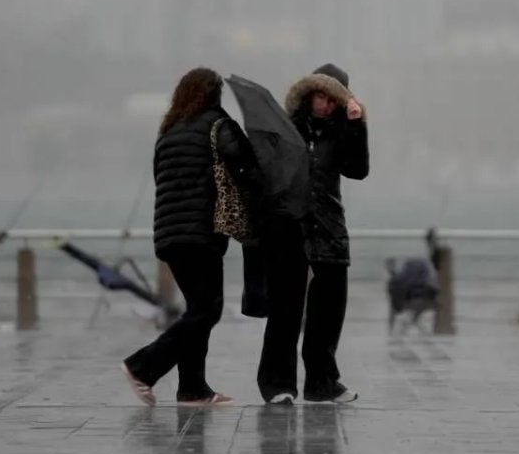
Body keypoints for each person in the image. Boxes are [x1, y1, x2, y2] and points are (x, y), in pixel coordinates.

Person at [121, 68, 263, 407]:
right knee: (207, 310)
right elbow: (247, 168)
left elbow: (162, 178)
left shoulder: (168, 130)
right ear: (214, 95)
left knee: (197, 309)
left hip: (169, 233)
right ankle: (142, 366)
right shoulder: (218, 125)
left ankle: (192, 389)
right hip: (201, 232)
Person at [258, 63, 369, 405]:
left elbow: (358, 170)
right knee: (285, 310)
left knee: (328, 312)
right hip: (290, 226)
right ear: (308, 95)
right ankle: (277, 384)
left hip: (329, 227)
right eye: (320, 96)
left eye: (332, 99)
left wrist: (357, 125)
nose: (324, 105)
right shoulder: (287, 129)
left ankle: (322, 383)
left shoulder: (341, 131)